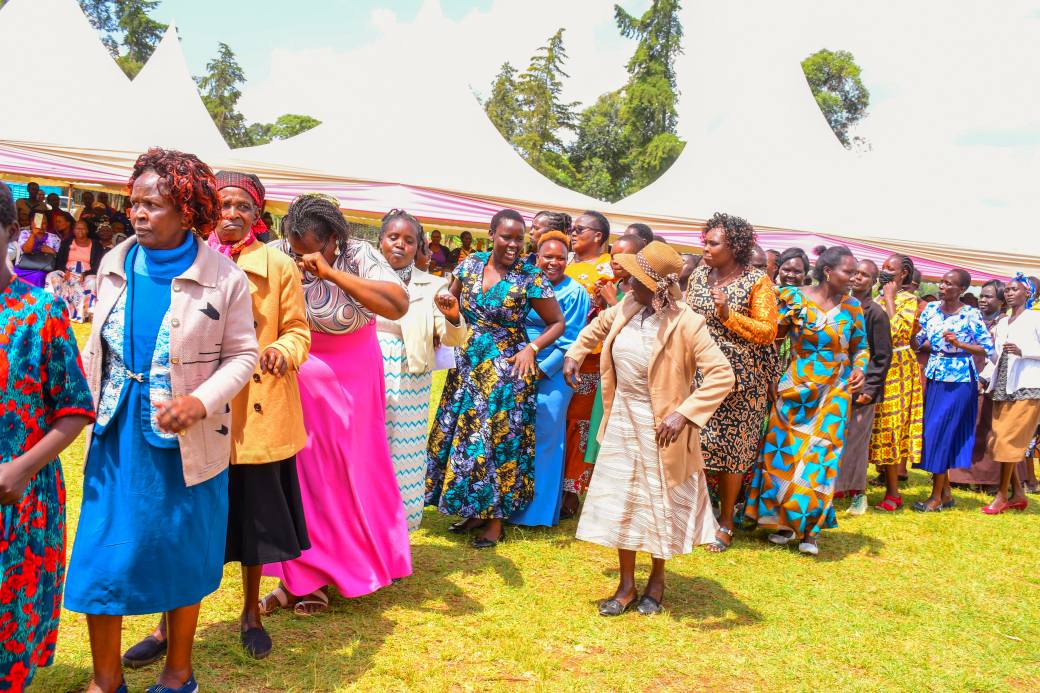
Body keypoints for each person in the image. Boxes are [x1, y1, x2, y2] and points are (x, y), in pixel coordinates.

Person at [64, 148, 259, 693]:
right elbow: (97, 345)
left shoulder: (224, 278)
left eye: (152, 204)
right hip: (116, 431)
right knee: (102, 551)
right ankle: (106, 680)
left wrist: (200, 401)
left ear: (187, 210)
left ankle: (178, 674)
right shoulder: (113, 264)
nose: (139, 214)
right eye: (135, 203)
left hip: (188, 441)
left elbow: (244, 354)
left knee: (179, 549)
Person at [121, 170, 312, 666]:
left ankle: (251, 613)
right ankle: (166, 626)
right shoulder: (190, 258)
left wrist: (280, 351)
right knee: (182, 523)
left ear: (258, 215)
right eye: (223, 206)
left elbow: (298, 330)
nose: (231, 216)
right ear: (208, 210)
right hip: (197, 409)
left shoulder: (279, 266)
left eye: (242, 208)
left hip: (257, 412)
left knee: (253, 522)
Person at [563, 241, 735, 615]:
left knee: (657, 506)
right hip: (622, 418)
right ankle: (625, 585)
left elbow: (723, 374)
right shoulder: (626, 307)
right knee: (623, 504)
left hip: (663, 430)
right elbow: (595, 329)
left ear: (658, 286)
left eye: (637, 280)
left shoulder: (687, 323)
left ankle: (656, 581)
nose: (627, 285)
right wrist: (574, 354)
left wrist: (685, 414)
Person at [261, 193, 411, 615]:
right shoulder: (277, 253)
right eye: (295, 246)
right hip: (301, 370)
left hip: (355, 372)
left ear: (334, 240)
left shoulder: (359, 254)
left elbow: (396, 305)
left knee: (354, 468)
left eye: (313, 248)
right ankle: (304, 578)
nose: (301, 255)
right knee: (305, 472)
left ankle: (361, 559)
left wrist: (330, 273)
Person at [0, 181, 94, 692]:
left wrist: (21, 469)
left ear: (12, 234)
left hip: (20, 500)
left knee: (7, 640)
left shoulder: (40, 311)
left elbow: (76, 410)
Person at [426, 209, 565, 548]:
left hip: (506, 369)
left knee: (497, 442)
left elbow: (557, 323)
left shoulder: (530, 276)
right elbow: (450, 301)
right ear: (491, 234)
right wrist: (443, 313)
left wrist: (531, 348)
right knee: (466, 438)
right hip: (468, 361)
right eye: (507, 237)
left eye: (519, 238)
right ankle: (474, 510)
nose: (514, 244)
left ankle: (496, 521)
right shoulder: (470, 264)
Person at [745, 246, 868, 555]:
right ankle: (781, 523)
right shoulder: (793, 298)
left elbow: (861, 346)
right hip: (795, 387)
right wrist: (772, 376)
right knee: (783, 455)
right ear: (828, 271)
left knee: (822, 456)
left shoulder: (853, 308)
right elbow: (773, 338)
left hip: (835, 391)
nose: (854, 278)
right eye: (848, 272)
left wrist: (860, 369)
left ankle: (809, 531)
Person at [684, 212, 778, 552]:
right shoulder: (697, 276)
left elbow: (769, 332)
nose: (705, 248)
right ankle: (696, 515)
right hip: (697, 376)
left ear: (734, 246)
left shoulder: (757, 282)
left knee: (733, 453)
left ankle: (725, 523)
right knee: (696, 446)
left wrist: (728, 316)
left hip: (742, 381)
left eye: (713, 243)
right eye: (705, 242)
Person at [376, 209, 466, 531]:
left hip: (410, 378)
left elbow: (454, 338)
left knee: (405, 455)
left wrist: (454, 315)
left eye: (409, 240)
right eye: (393, 237)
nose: (400, 244)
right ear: (381, 240)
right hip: (367, 372)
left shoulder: (433, 286)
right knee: (368, 451)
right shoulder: (362, 276)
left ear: (418, 247)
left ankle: (397, 529)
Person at [511, 231, 590, 527]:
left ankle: (537, 513)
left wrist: (540, 370)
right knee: (516, 435)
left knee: (546, 438)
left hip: (554, 372)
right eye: (548, 257)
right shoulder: (524, 283)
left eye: (561, 257)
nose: (554, 263)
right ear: (536, 256)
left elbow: (571, 340)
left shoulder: (576, 293)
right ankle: (509, 502)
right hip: (518, 364)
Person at [911, 268, 993, 512]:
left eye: (949, 283)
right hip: (935, 375)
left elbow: (986, 348)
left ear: (962, 290)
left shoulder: (971, 314)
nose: (942, 286)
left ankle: (936, 497)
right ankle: (945, 492)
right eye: (942, 282)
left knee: (944, 432)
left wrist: (960, 344)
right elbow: (922, 340)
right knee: (933, 432)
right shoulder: (932, 309)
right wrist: (913, 337)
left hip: (959, 380)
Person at [561, 210, 614, 516]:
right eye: (572, 227)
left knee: (580, 426)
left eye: (580, 228)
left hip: (590, 361)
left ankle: (572, 490)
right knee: (562, 422)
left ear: (598, 236)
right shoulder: (566, 263)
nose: (573, 232)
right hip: (558, 354)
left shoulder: (606, 269)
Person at [583, 234, 648, 467]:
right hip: (608, 365)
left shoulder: (643, 292)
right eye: (612, 255)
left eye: (623, 256)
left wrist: (612, 303)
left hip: (630, 372)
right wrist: (600, 303)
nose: (615, 261)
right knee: (602, 419)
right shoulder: (614, 284)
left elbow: (637, 329)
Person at [834, 259, 892, 514]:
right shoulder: (839, 305)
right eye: (855, 273)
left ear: (873, 281)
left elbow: (882, 356)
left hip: (861, 389)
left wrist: (870, 390)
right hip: (835, 384)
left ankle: (859, 494)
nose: (857, 278)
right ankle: (834, 488)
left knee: (857, 442)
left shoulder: (875, 312)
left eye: (865, 275)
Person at [868, 254, 926, 511]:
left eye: (890, 269)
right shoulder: (875, 298)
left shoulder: (909, 300)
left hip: (898, 369)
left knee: (891, 427)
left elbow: (899, 332)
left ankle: (893, 493)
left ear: (903, 274)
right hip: (874, 365)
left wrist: (890, 298)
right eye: (883, 268)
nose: (885, 272)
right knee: (872, 425)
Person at [980, 274, 1040, 514]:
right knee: (1000, 441)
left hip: (1028, 386)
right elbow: (995, 357)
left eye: (1015, 289)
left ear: (1028, 293)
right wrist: (983, 378)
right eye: (1006, 290)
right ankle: (1018, 493)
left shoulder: (1035, 318)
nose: (1009, 293)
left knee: (1007, 440)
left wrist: (1023, 350)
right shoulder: (1003, 322)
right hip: (1003, 386)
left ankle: (1002, 496)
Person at [950, 280, 1008, 491]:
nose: (983, 300)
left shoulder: (1005, 324)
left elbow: (999, 357)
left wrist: (983, 380)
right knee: (964, 426)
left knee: (986, 428)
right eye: (981, 296)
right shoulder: (973, 319)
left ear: (1001, 301)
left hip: (989, 381)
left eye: (989, 296)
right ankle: (960, 477)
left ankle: (988, 480)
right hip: (964, 376)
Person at [45, 219, 106, 321]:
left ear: (87, 230)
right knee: (52, 276)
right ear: (73, 230)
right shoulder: (66, 243)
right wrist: (65, 271)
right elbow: (59, 261)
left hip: (86, 274)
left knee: (92, 280)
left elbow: (98, 265)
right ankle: (53, 307)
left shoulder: (96, 245)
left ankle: (86, 312)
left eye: (83, 228)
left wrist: (85, 273)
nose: (80, 230)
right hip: (67, 272)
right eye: (77, 228)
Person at [13, 211, 60, 286]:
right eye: (38, 223)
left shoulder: (54, 237)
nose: (41, 226)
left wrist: (52, 252)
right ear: (31, 224)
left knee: (39, 275)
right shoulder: (25, 233)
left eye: (44, 223)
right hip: (24, 267)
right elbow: (26, 250)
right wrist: (33, 234)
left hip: (43, 268)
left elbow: (60, 259)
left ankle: (34, 297)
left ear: (47, 224)